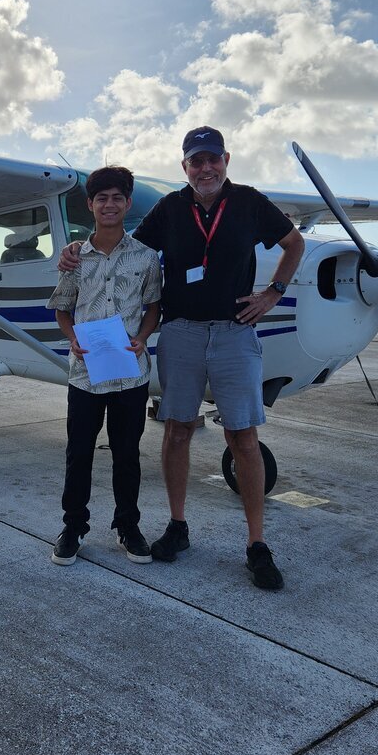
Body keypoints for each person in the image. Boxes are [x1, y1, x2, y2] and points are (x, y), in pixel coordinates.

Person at [59, 127, 304, 589]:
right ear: (185, 166)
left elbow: (294, 244)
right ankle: (177, 527)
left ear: (226, 160)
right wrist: (75, 249)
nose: (205, 168)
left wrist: (273, 293)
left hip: (235, 333)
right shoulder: (170, 208)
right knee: (176, 431)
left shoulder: (250, 202)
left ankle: (256, 545)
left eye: (213, 159)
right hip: (181, 332)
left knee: (244, 438)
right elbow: (123, 246)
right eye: (196, 161)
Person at [46, 166, 162, 566]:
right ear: (90, 205)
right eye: (101, 198)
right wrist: (72, 338)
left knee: (126, 454)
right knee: (79, 453)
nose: (109, 205)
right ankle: (73, 526)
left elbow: (153, 307)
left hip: (130, 373)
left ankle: (128, 526)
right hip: (86, 375)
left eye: (117, 198)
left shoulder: (146, 258)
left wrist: (144, 337)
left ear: (127, 204)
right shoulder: (75, 258)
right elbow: (62, 308)